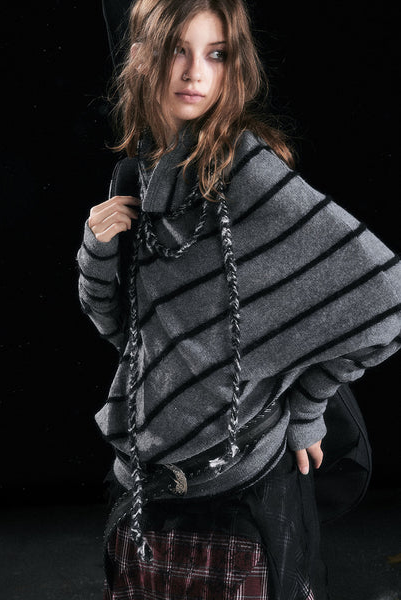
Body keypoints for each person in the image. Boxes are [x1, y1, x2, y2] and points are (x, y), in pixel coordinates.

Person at [76, 0, 401, 598]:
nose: (194, 72)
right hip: (147, 485)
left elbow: (388, 296)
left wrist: (307, 410)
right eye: (177, 50)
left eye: (216, 54)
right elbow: (123, 332)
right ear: (142, 58)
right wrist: (97, 250)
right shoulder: (141, 174)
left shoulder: (248, 173)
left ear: (235, 66)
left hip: (239, 496)